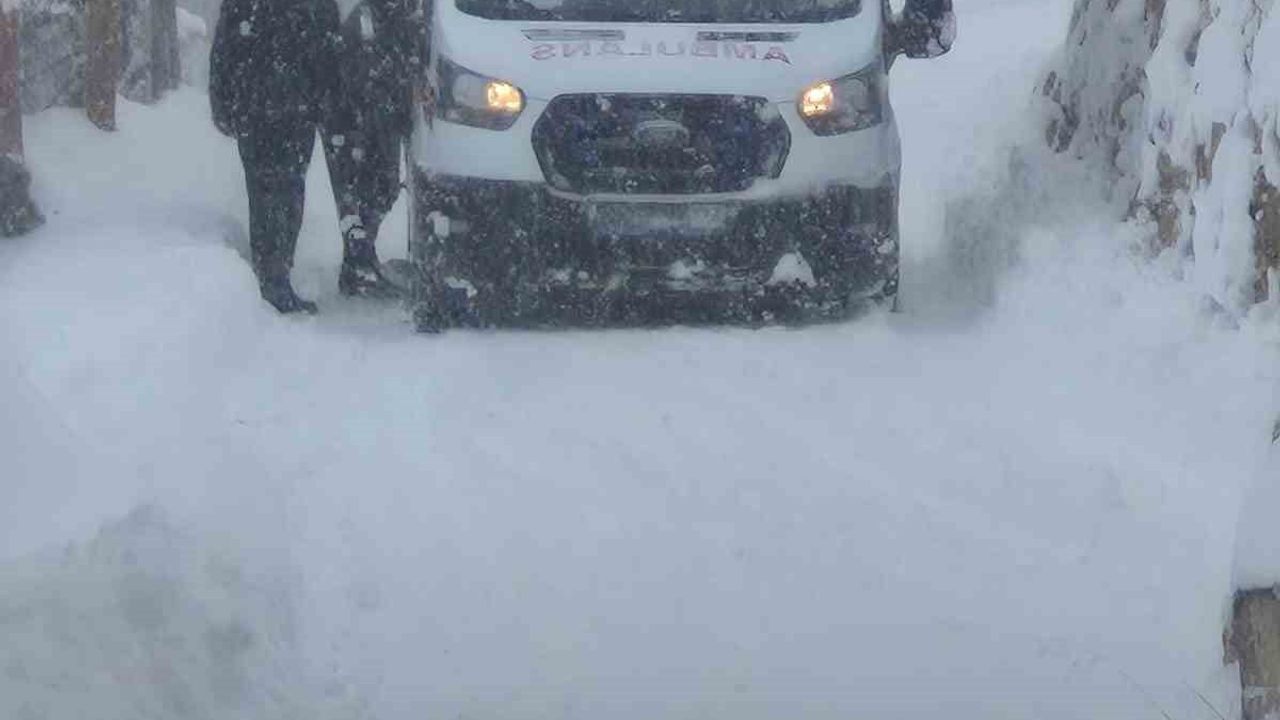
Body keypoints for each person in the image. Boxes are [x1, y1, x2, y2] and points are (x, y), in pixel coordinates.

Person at [209, 0, 341, 314]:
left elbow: (225, 46)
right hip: (279, 107)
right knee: (281, 190)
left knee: (272, 190)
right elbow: (328, 52)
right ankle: (274, 274)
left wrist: (222, 99)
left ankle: (273, 272)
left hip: (268, 106)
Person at [322, 0, 421, 298]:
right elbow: (355, 72)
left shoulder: (404, 17)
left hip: (383, 117)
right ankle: (357, 261)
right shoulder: (365, 20)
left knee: (382, 188)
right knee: (362, 189)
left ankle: (360, 258)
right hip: (357, 117)